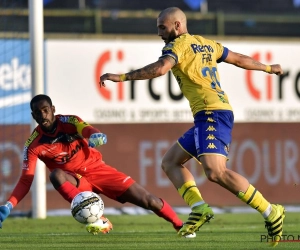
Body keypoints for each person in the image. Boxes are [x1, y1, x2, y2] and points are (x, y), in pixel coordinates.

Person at [98, 6, 285, 247]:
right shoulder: (207, 44)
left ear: (177, 26)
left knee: (215, 172)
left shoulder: (176, 47)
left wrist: (122, 77)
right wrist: (269, 68)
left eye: (162, 27)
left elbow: (161, 68)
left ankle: (271, 211)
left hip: (212, 113)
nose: (159, 33)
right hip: (208, 115)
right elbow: (239, 59)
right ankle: (199, 208)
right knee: (170, 162)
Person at [0, 94, 195, 238]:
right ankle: (96, 218)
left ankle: (180, 225)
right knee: (56, 175)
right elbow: (26, 179)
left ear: (53, 109)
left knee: (148, 200)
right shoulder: (33, 145)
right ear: (33, 115)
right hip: (76, 182)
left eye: (45, 110)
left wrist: (94, 135)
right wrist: (9, 206)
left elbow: (86, 129)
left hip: (99, 171)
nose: (43, 115)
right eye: (38, 112)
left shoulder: (68, 121)